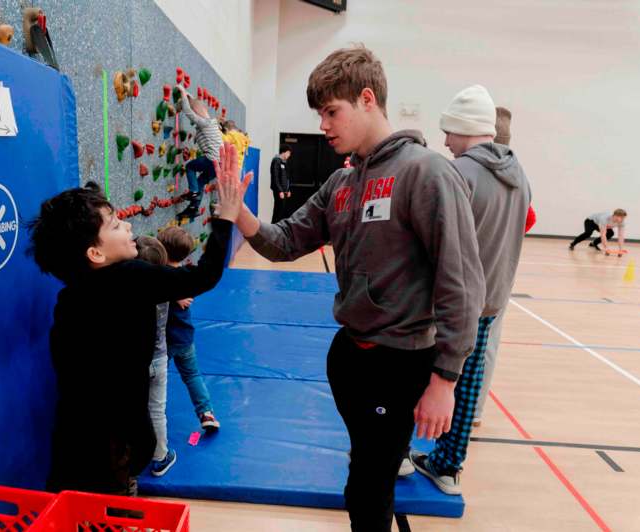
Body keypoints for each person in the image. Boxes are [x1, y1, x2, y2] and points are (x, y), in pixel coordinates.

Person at [229, 45, 485, 531]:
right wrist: (238, 213)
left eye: (331, 111)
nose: (323, 125)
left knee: (368, 485)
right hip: (350, 355)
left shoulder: (425, 172)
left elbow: (462, 283)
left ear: (367, 99)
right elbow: (285, 242)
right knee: (366, 470)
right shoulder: (341, 182)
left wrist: (445, 381)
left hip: (401, 360)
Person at [25, 144, 247, 495]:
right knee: (110, 509)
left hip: (74, 439)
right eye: (115, 225)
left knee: (75, 505)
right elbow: (204, 276)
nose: (127, 226)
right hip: (112, 447)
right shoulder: (129, 277)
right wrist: (225, 218)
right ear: (95, 253)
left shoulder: (69, 298)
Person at [405, 87, 531, 496]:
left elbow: (435, 244)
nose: (444, 141)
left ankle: (398, 454)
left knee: (416, 379)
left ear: (464, 129)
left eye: (449, 132)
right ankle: (447, 465)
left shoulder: (458, 173)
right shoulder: (519, 175)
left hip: (450, 305)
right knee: (466, 387)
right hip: (491, 301)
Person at [473, 106, 536, 427]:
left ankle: (465, 409)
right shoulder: (517, 175)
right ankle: (474, 411)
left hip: (478, 275)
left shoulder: (478, 173)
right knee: (487, 346)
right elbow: (530, 219)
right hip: (500, 274)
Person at [158, 227, 220, 431]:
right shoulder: (186, 276)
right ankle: (206, 412)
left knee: (157, 379)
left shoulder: (159, 276)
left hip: (165, 342)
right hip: (185, 339)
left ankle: (153, 414)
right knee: (192, 376)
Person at [133, 236, 177, 477]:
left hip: (134, 359)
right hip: (157, 357)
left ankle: (132, 454)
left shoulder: (126, 291)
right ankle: (160, 456)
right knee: (156, 409)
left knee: (134, 408)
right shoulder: (164, 286)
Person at [176, 85, 225, 220]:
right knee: (201, 180)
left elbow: (188, 110)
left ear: (197, 113)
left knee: (190, 166)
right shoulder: (211, 122)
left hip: (212, 159)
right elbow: (195, 105)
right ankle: (194, 208)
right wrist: (189, 96)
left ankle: (194, 192)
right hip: (219, 163)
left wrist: (182, 92)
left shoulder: (204, 123)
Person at [270, 144, 292, 223]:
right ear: (285, 152)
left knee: (283, 212)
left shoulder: (284, 162)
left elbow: (287, 177)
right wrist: (280, 191)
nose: (289, 155)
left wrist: (288, 189)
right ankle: (274, 227)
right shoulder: (276, 161)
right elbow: (275, 177)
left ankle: (279, 228)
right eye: (289, 153)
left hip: (285, 191)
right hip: (279, 191)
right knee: (278, 211)